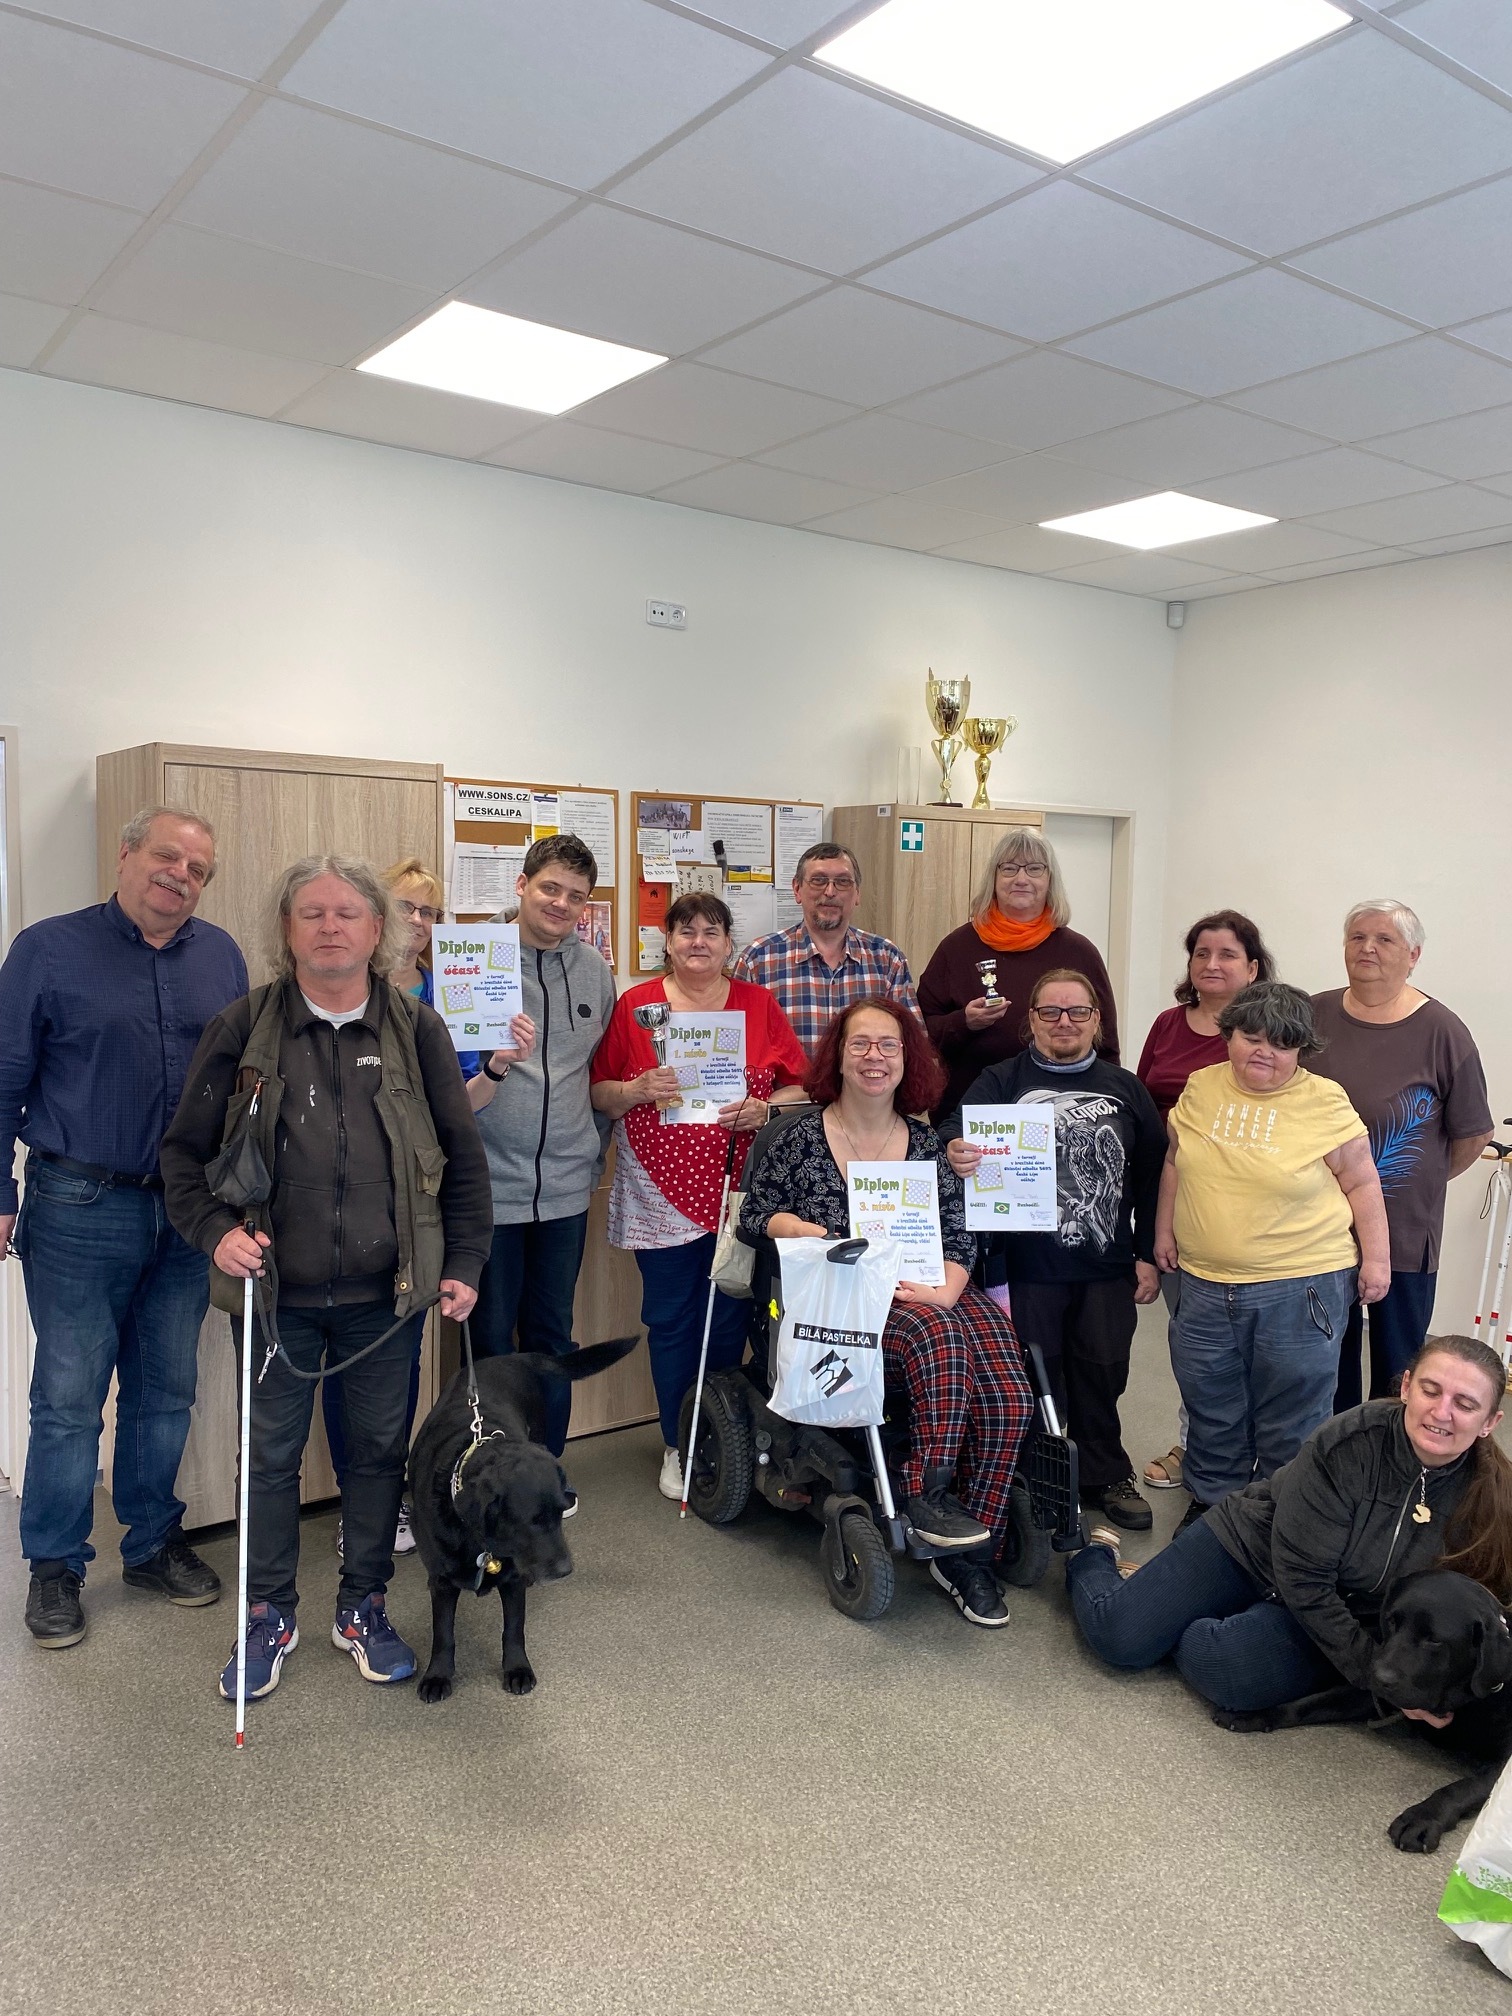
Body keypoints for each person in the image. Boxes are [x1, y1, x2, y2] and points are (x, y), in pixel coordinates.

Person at [161, 855, 492, 1703]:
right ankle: (268, 1615)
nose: (331, 927)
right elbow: (182, 1158)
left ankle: (363, 1607)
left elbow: (461, 1158)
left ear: (378, 930)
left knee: (378, 1458)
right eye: (312, 913)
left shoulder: (417, 1030)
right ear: (287, 929)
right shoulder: (245, 1026)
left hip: (387, 1300)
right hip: (276, 1300)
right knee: (269, 1461)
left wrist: (463, 1263)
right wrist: (217, 1235)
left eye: (348, 913)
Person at [0, 806, 247, 1650]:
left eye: (198, 869)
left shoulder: (221, 957)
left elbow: (242, 1084)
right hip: (79, 1202)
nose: (181, 875)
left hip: (187, 1210)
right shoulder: (47, 949)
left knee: (166, 1390)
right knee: (69, 1400)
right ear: (127, 854)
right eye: (167, 856)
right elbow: (4, 1075)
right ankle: (55, 1566)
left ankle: (151, 1544)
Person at [741, 998, 1035, 1629]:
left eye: (889, 1045)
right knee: (939, 1336)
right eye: (861, 1044)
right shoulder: (797, 1139)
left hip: (927, 1286)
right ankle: (928, 1495)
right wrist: (801, 1229)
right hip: (843, 1295)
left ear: (908, 1059)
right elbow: (753, 1216)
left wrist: (947, 1289)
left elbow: (959, 1233)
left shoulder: (927, 1144)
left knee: (1007, 1383)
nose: (874, 1057)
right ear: (838, 1056)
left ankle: (970, 1549)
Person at [1066, 1334, 1512, 1716]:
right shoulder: (1347, 1443)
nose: (1441, 1412)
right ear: (1407, 1387)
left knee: (1225, 1673)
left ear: (1490, 1422)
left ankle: (1174, 1606)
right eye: (1431, 1391)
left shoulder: (1494, 1495)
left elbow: (1488, 1607)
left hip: (1340, 1603)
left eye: (1465, 1404)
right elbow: (1304, 1576)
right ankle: (1093, 1556)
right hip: (1252, 1548)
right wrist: (1375, 1678)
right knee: (1119, 1637)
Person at [319, 856, 534, 1557]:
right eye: (408, 907)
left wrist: (496, 1064)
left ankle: (389, 1500)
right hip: (343, 1197)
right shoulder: (344, 986)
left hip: (419, 1202)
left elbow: (458, 1111)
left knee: (397, 1363)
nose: (419, 922)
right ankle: (357, 1507)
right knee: (346, 1364)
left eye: (431, 912)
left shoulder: (456, 992)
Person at [591, 892, 808, 1501]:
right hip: (657, 1190)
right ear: (667, 942)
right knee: (671, 1319)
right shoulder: (637, 1006)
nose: (698, 942)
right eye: (686, 931)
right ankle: (677, 1439)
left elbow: (801, 1087)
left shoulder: (757, 1004)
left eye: (712, 931)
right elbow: (599, 1092)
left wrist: (765, 1107)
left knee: (730, 1313)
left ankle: (720, 1433)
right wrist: (636, 1088)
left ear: (728, 944)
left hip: (740, 1189)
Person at [1154, 981, 1391, 1522]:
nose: (1263, 1052)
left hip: (1301, 1286)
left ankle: (1282, 1518)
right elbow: (1174, 1162)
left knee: (1293, 1414)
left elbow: (1361, 1181)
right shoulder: (1201, 1086)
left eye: (1281, 1044)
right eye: (1251, 1037)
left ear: (1300, 1049)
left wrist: (1377, 1260)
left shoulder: (1324, 1101)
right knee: (1211, 1404)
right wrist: (1164, 1231)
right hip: (1203, 1284)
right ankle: (1213, 1509)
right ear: (1229, 1036)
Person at [941, 969, 1166, 1532]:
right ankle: (1038, 1478)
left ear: (1096, 1020)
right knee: (1034, 1374)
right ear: (1032, 1020)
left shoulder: (1125, 1087)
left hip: (1106, 1263)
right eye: (1051, 1012)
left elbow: (1152, 1176)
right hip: (1025, 1266)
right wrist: (956, 1147)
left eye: (1077, 1011)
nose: (1065, 1022)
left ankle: (1104, 1472)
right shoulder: (1000, 1080)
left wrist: (1146, 1252)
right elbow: (950, 1128)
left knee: (1103, 1369)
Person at [1310, 901, 1492, 1410]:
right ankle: (1333, 1455)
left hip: (1404, 1233)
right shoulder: (1313, 1015)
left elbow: (1474, 1133)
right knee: (1326, 1366)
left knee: (1399, 1372)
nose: (1367, 948)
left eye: (1384, 939)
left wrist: (1422, 1179)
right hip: (1317, 1229)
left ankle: (1390, 1456)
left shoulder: (1442, 1031)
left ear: (1413, 955)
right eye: (1357, 937)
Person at [470, 835, 616, 1459]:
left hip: (565, 1190)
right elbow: (447, 1077)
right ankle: (490, 1467)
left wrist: (589, 1153)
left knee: (553, 1337)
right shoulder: (476, 959)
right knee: (489, 1341)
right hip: (488, 1190)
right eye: (550, 888)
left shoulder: (594, 971)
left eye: (575, 896)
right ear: (522, 885)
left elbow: (599, 1069)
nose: (561, 903)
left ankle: (547, 1471)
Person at [1136, 909, 1275, 1494]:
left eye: (1227, 955)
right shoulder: (1168, 1023)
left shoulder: (1268, 1031)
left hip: (1244, 1208)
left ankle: (1256, 1459)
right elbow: (1139, 1104)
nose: (1211, 964)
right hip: (1170, 1199)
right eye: (1201, 954)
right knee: (1196, 1345)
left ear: (1254, 968)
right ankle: (1198, 1447)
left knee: (1252, 1349)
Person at [918, 827, 1119, 1119]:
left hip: (1062, 1115)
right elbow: (920, 1032)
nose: (1021, 879)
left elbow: (1106, 1046)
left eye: (1034, 869)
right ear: (994, 878)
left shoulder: (1080, 952)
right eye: (1009, 868)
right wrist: (964, 1022)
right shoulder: (957, 947)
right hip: (973, 1113)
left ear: (1050, 880)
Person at [731, 841, 918, 1057]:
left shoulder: (887, 960)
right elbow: (735, 1050)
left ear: (857, 893)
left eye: (843, 882)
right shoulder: (758, 961)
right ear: (797, 889)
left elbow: (913, 1047)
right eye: (818, 880)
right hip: (789, 1081)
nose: (830, 891)